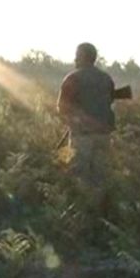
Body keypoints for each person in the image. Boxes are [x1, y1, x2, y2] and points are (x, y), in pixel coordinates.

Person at [57, 43, 115, 186]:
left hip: (82, 137)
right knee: (100, 179)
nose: (75, 59)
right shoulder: (106, 79)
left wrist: (72, 120)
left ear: (84, 57)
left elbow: (62, 108)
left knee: (80, 179)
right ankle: (100, 206)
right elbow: (110, 102)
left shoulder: (72, 78)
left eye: (77, 56)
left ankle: (83, 207)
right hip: (104, 136)